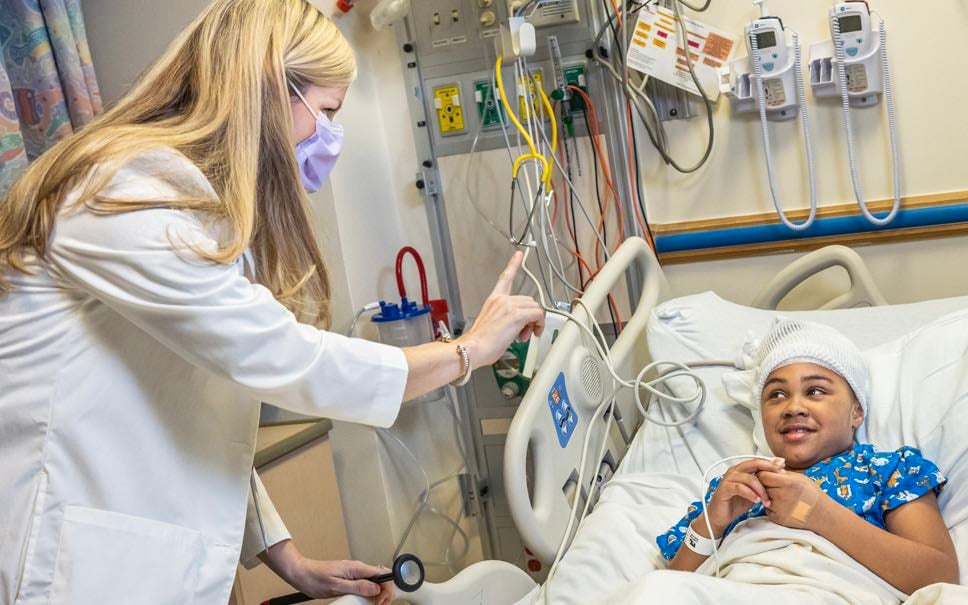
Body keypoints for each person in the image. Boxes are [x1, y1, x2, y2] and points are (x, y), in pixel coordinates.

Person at [0, 1, 545, 604]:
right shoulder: (125, 191)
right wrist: (467, 352)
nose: (330, 138)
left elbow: (202, 412)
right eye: (327, 112)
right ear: (268, 88)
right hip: (66, 564)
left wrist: (292, 562)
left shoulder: (193, 208)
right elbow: (287, 359)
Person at [657, 319, 959, 595]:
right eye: (776, 395)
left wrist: (816, 512)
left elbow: (939, 577)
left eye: (815, 391)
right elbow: (674, 585)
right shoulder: (733, 488)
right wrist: (713, 521)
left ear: (856, 412)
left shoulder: (887, 471)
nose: (793, 407)